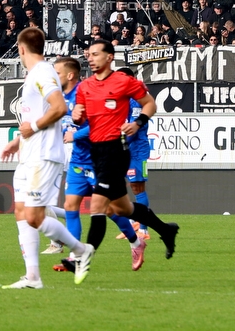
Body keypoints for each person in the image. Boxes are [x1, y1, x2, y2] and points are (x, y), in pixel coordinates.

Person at [0, 28, 94, 289]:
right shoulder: (35, 75)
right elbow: (37, 114)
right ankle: (32, 277)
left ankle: (81, 250)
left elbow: (59, 107)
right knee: (21, 211)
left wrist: (34, 128)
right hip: (29, 153)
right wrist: (18, 140)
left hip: (43, 156)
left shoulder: (42, 72)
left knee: (34, 216)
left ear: (21, 48)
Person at [73, 40, 179, 273]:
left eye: (95, 54)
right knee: (121, 208)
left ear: (110, 57)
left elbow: (150, 104)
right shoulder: (85, 87)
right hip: (96, 152)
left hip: (117, 150)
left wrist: (138, 122)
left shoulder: (124, 82)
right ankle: (165, 230)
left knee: (98, 205)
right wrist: (76, 115)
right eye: (88, 55)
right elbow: (81, 118)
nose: (90, 58)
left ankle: (82, 258)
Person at [50, 57, 146, 273]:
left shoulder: (88, 92)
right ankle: (75, 257)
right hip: (77, 161)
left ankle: (136, 242)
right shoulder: (61, 97)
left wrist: (76, 135)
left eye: (57, 71)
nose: (54, 76)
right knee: (70, 206)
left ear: (70, 75)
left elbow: (99, 123)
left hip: (98, 159)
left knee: (112, 210)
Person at [117, 67, 151, 241]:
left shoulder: (137, 99)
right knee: (125, 188)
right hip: (126, 150)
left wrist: (119, 144)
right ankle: (134, 223)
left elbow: (134, 129)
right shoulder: (125, 99)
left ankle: (143, 229)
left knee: (138, 188)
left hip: (137, 151)